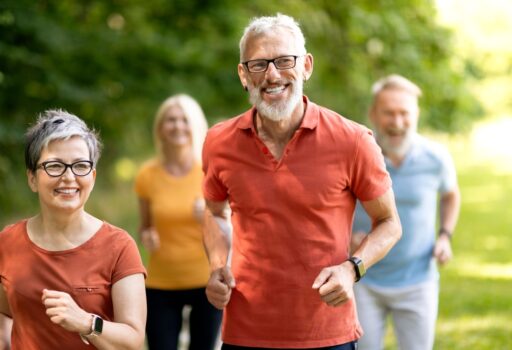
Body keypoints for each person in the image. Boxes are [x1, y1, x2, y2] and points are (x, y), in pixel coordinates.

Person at [201, 14, 402, 350]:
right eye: (258, 64)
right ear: (243, 74)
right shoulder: (218, 142)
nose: (272, 75)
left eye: (283, 61)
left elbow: (390, 223)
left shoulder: (352, 140)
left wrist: (352, 269)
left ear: (306, 66)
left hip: (327, 332)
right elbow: (214, 213)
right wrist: (217, 265)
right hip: (245, 332)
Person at [0, 110, 147, 350]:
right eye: (55, 166)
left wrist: (85, 321)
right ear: (32, 178)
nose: (69, 177)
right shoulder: (7, 243)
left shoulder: (119, 246)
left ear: (93, 176)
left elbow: (132, 340)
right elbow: (4, 313)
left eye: (80, 166)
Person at [351, 75, 461, 350]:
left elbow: (450, 194)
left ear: (416, 114)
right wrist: (346, 237)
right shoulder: (356, 155)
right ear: (373, 114)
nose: (397, 122)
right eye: (389, 113)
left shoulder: (436, 157)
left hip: (418, 281)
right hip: (363, 277)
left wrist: (445, 235)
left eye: (404, 113)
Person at [134, 94, 222, 350]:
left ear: (196, 125)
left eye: (184, 119)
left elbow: (232, 228)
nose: (177, 126)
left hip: (206, 282)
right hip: (161, 283)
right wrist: (147, 235)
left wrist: (207, 218)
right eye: (170, 120)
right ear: (160, 128)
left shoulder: (211, 171)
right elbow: (145, 228)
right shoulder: (147, 175)